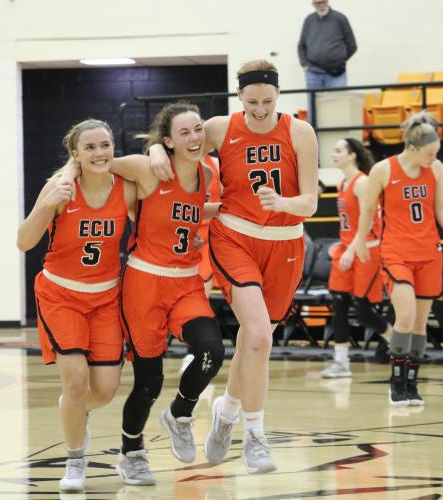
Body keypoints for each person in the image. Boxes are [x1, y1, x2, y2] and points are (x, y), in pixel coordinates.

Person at [150, 59, 318, 474]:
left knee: (254, 342)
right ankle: (255, 439)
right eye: (252, 101)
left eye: (268, 100)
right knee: (259, 335)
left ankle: (226, 412)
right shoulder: (222, 128)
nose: (260, 109)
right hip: (234, 237)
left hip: (285, 244)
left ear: (279, 96)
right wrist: (155, 147)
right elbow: (177, 141)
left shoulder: (300, 132)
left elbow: (311, 203)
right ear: (239, 96)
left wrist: (284, 203)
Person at [105, 102, 225, 486]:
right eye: (184, 132)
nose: (195, 137)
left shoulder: (209, 171)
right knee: (148, 382)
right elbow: (103, 161)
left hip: (187, 281)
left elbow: (190, 211)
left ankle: (180, 413)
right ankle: (131, 452)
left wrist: (225, 212)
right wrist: (152, 149)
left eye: (198, 129)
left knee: (212, 351)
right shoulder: (149, 168)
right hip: (145, 284)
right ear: (170, 140)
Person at [17, 119, 134, 492]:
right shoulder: (60, 188)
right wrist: (45, 206)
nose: (99, 153)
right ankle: (74, 460)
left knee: (104, 390)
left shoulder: (126, 189)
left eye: (105, 145)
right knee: (76, 380)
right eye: (90, 147)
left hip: (105, 297)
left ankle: (75, 409)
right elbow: (23, 241)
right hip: (60, 295)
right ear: (76, 154)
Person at [356, 111, 443, 406]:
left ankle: (411, 383)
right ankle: (396, 382)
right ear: (412, 148)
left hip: (430, 253)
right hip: (396, 253)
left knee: (420, 323)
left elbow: (440, 212)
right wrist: (359, 240)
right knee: (404, 315)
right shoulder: (383, 170)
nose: (433, 158)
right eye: (429, 154)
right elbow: (367, 210)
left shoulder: (437, 169)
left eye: (436, 153)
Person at [321, 138, 392, 379]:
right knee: (339, 305)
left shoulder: (362, 183)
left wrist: (352, 249)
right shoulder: (343, 182)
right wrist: (343, 247)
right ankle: (341, 363)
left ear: (352, 155)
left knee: (362, 311)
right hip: (347, 248)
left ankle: (398, 343)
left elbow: (368, 221)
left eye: (339, 150)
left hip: (366, 251)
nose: (334, 154)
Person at [180, 154, 222, 375]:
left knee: (201, 298)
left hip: (211, 234)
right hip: (183, 234)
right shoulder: (173, 162)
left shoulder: (215, 163)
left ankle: (197, 352)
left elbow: (226, 198)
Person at [297, 0, 357, 125]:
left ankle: (335, 141)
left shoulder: (340, 18)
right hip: (313, 74)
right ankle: (314, 142)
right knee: (313, 111)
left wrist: (339, 60)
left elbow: (352, 45)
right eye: (317, 3)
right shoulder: (309, 20)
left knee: (337, 108)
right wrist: (305, 64)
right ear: (313, 4)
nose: (321, 5)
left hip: (337, 75)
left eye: (323, 2)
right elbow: (301, 45)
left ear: (327, 1)